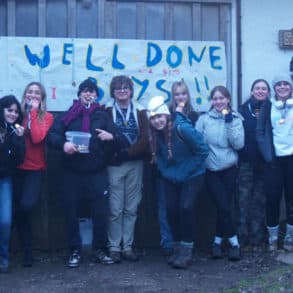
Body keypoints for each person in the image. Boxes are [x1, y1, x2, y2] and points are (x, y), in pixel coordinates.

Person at [48, 78, 128, 268]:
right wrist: (64, 144)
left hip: (96, 172)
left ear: (96, 95)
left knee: (100, 213)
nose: (88, 94)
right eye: (85, 90)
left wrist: (111, 137)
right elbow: (52, 136)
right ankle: (75, 250)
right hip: (72, 172)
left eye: (92, 91)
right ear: (79, 94)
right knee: (71, 211)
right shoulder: (69, 114)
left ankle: (99, 249)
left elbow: (121, 141)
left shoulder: (102, 115)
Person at [148, 95, 208, 269]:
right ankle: (177, 246)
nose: (157, 121)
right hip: (171, 176)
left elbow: (203, 151)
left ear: (166, 115)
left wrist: (183, 172)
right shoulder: (155, 135)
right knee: (171, 209)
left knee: (186, 207)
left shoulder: (182, 129)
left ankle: (187, 249)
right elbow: (157, 157)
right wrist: (167, 172)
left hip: (193, 174)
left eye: (159, 116)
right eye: (153, 118)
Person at [196, 85, 244, 261]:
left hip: (229, 169)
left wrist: (229, 122)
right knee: (223, 206)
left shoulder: (236, 118)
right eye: (215, 99)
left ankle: (216, 242)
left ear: (228, 99)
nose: (218, 102)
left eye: (222, 98)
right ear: (212, 101)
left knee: (222, 207)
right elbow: (197, 143)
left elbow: (239, 145)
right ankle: (234, 243)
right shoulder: (204, 119)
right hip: (211, 169)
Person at [106, 75, 148, 263]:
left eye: (125, 88)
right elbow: (101, 136)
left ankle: (127, 247)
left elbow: (146, 139)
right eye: (118, 88)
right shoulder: (106, 110)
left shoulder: (140, 110)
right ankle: (114, 246)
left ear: (131, 90)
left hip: (135, 164)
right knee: (115, 208)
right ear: (113, 92)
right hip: (114, 164)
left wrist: (128, 154)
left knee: (131, 207)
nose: (122, 91)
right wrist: (117, 154)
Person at [13, 82, 53, 267]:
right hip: (14, 168)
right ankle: (26, 251)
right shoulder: (16, 114)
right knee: (17, 210)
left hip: (35, 169)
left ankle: (26, 247)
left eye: (37, 93)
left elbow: (37, 138)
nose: (33, 95)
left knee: (26, 206)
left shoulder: (47, 116)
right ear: (25, 94)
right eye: (30, 91)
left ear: (42, 97)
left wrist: (33, 112)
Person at [256, 75, 293, 252]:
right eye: (279, 84)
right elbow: (260, 132)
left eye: (286, 84)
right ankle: (273, 238)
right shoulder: (268, 106)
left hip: (292, 159)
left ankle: (290, 237)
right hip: (273, 161)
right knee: (272, 200)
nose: (283, 87)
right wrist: (267, 155)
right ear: (274, 88)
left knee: (292, 200)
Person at [237, 79, 270, 249]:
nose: (260, 91)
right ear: (251, 91)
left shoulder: (272, 109)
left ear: (268, 92)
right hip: (246, 163)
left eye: (264, 88)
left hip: (265, 164)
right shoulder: (243, 110)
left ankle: (257, 237)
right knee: (243, 200)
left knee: (259, 200)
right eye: (257, 88)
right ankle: (242, 237)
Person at [0, 95, 25, 273]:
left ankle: (3, 257)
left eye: (16, 111)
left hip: (5, 179)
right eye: (9, 110)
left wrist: (18, 140)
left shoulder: (16, 131)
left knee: (6, 220)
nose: (13, 114)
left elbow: (19, 160)